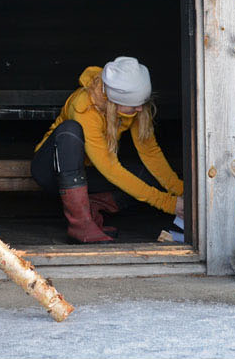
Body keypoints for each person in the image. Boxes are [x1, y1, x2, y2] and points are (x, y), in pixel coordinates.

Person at [31, 57, 184, 244]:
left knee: (147, 176)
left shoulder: (135, 108)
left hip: (87, 172)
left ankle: (91, 207)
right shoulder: (84, 107)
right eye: (134, 103)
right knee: (69, 130)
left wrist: (183, 192)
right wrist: (168, 204)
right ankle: (81, 224)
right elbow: (110, 167)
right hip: (51, 170)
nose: (139, 108)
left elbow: (150, 152)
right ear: (114, 101)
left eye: (142, 102)